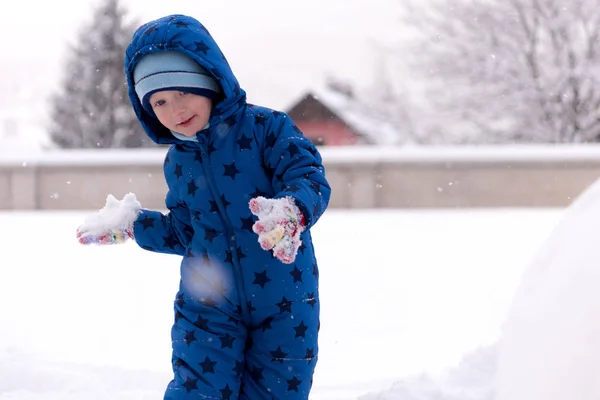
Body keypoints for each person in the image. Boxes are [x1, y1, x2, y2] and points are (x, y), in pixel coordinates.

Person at [76, 13, 331, 400]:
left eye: (183, 92)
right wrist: (133, 225)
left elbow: (308, 175)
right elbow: (186, 230)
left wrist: (292, 210)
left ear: (210, 81)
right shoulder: (178, 161)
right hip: (207, 304)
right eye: (159, 101)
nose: (175, 110)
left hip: (284, 303)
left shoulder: (267, 129)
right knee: (196, 391)